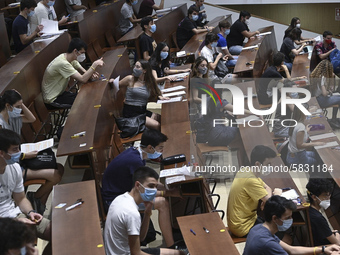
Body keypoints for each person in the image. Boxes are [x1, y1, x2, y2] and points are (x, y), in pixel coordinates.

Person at [102, 129, 179, 248]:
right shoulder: (134, 161)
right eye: (160, 148)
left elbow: (146, 180)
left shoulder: (136, 152)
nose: (162, 151)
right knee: (163, 203)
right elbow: (144, 191)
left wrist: (166, 187)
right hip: (114, 201)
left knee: (163, 196)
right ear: (150, 147)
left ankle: (171, 234)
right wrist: (168, 192)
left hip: (121, 193)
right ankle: (171, 246)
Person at [0, 90, 64, 214]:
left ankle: (39, 203)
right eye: (18, 107)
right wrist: (24, 154)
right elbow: (4, 153)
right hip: (13, 164)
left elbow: (32, 118)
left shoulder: (12, 117)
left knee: (60, 168)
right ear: (8, 106)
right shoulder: (1, 124)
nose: (20, 109)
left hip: (21, 158)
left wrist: (21, 103)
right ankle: (35, 200)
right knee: (55, 175)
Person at [104, 166, 184, 255]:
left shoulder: (120, 198)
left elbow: (141, 238)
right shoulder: (131, 213)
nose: (154, 190)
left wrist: (147, 213)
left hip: (121, 251)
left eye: (155, 187)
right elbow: (136, 253)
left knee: (179, 253)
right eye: (151, 186)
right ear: (138, 185)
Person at [0, 129, 51, 252]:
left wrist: (30, 212)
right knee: (23, 244)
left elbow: (21, 198)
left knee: (56, 231)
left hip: (15, 215)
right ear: (1, 153)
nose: (19, 153)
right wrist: (15, 222)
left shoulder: (14, 168)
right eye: (15, 150)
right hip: (3, 226)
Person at [243, 195, 340, 255]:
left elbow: (292, 250)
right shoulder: (268, 243)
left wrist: (323, 249)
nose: (291, 220)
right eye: (287, 218)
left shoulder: (259, 228)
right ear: (275, 218)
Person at [227, 145, 280, 237]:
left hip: (244, 220)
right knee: (283, 236)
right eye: (268, 164)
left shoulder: (245, 170)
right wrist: (277, 195)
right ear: (257, 164)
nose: (271, 167)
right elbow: (271, 203)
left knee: (274, 225)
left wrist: (266, 198)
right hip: (243, 226)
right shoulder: (250, 180)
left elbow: (268, 188)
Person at [41, 38, 104, 108]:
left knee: (86, 98)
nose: (83, 55)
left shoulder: (68, 58)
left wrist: (90, 73)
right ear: (75, 51)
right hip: (52, 99)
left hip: (60, 93)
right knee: (83, 103)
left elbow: (83, 71)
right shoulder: (63, 63)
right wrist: (95, 64)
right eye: (82, 53)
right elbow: (82, 79)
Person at [111, 60, 167, 130]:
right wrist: (112, 81)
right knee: (156, 125)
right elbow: (116, 84)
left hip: (143, 110)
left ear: (145, 70)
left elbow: (154, 95)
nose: (134, 68)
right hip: (132, 113)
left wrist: (160, 97)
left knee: (163, 118)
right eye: (135, 66)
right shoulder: (130, 79)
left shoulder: (149, 82)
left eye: (137, 67)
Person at [286, 104, 325, 170]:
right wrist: (315, 143)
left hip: (292, 155)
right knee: (318, 161)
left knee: (315, 154)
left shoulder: (294, 121)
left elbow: (297, 136)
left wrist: (305, 131)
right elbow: (300, 145)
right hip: (297, 159)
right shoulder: (300, 127)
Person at [306, 178, 340, 246]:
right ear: (314, 197)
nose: (328, 198)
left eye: (329, 195)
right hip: (323, 246)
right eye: (326, 195)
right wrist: (337, 233)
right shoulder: (318, 218)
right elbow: (337, 243)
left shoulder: (309, 209)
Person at [310, 59, 340, 128]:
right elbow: (324, 93)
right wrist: (329, 91)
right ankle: (334, 119)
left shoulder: (315, 75)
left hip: (315, 98)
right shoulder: (323, 77)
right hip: (320, 100)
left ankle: (334, 119)